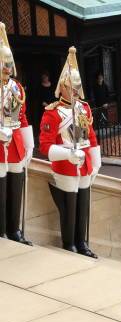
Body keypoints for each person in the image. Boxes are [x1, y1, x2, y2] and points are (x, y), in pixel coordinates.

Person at [39, 46, 101, 258]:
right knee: (70, 206)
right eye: (71, 87)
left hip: (84, 163)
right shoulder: (52, 113)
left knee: (83, 203)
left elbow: (90, 136)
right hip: (66, 164)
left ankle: (81, 242)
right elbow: (45, 146)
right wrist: (67, 155)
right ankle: (70, 243)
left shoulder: (84, 108)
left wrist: (96, 160)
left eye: (77, 87)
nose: (74, 91)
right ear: (62, 88)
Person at [0, 22, 34, 245]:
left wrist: (29, 145)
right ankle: (1, 229)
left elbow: (22, 116)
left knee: (15, 186)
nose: (8, 68)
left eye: (9, 64)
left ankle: (15, 229)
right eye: (4, 64)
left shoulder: (17, 87)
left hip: (15, 143)